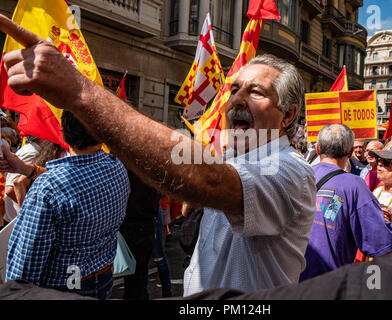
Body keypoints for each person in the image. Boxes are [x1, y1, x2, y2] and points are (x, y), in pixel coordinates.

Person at [0, 19, 316, 295]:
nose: (236, 100)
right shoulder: (235, 154)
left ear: (288, 115)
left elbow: (202, 177)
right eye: (234, 90)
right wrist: (25, 167)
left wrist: (79, 92)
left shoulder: (290, 172)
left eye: (256, 92)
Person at [2, 110, 130, 299]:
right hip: (102, 278)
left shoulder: (48, 187)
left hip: (62, 288)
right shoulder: (116, 167)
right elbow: (79, 177)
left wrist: (12, 293)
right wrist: (28, 170)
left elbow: (26, 264)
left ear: (62, 133)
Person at [299, 124, 392, 282]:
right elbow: (381, 243)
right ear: (351, 152)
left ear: (317, 149)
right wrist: (385, 218)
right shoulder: (354, 185)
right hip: (329, 285)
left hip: (288, 282)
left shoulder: (298, 177)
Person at [120, 169, 160, 300]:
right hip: (144, 221)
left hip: (133, 221)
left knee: (135, 279)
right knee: (138, 278)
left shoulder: (121, 163)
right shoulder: (152, 165)